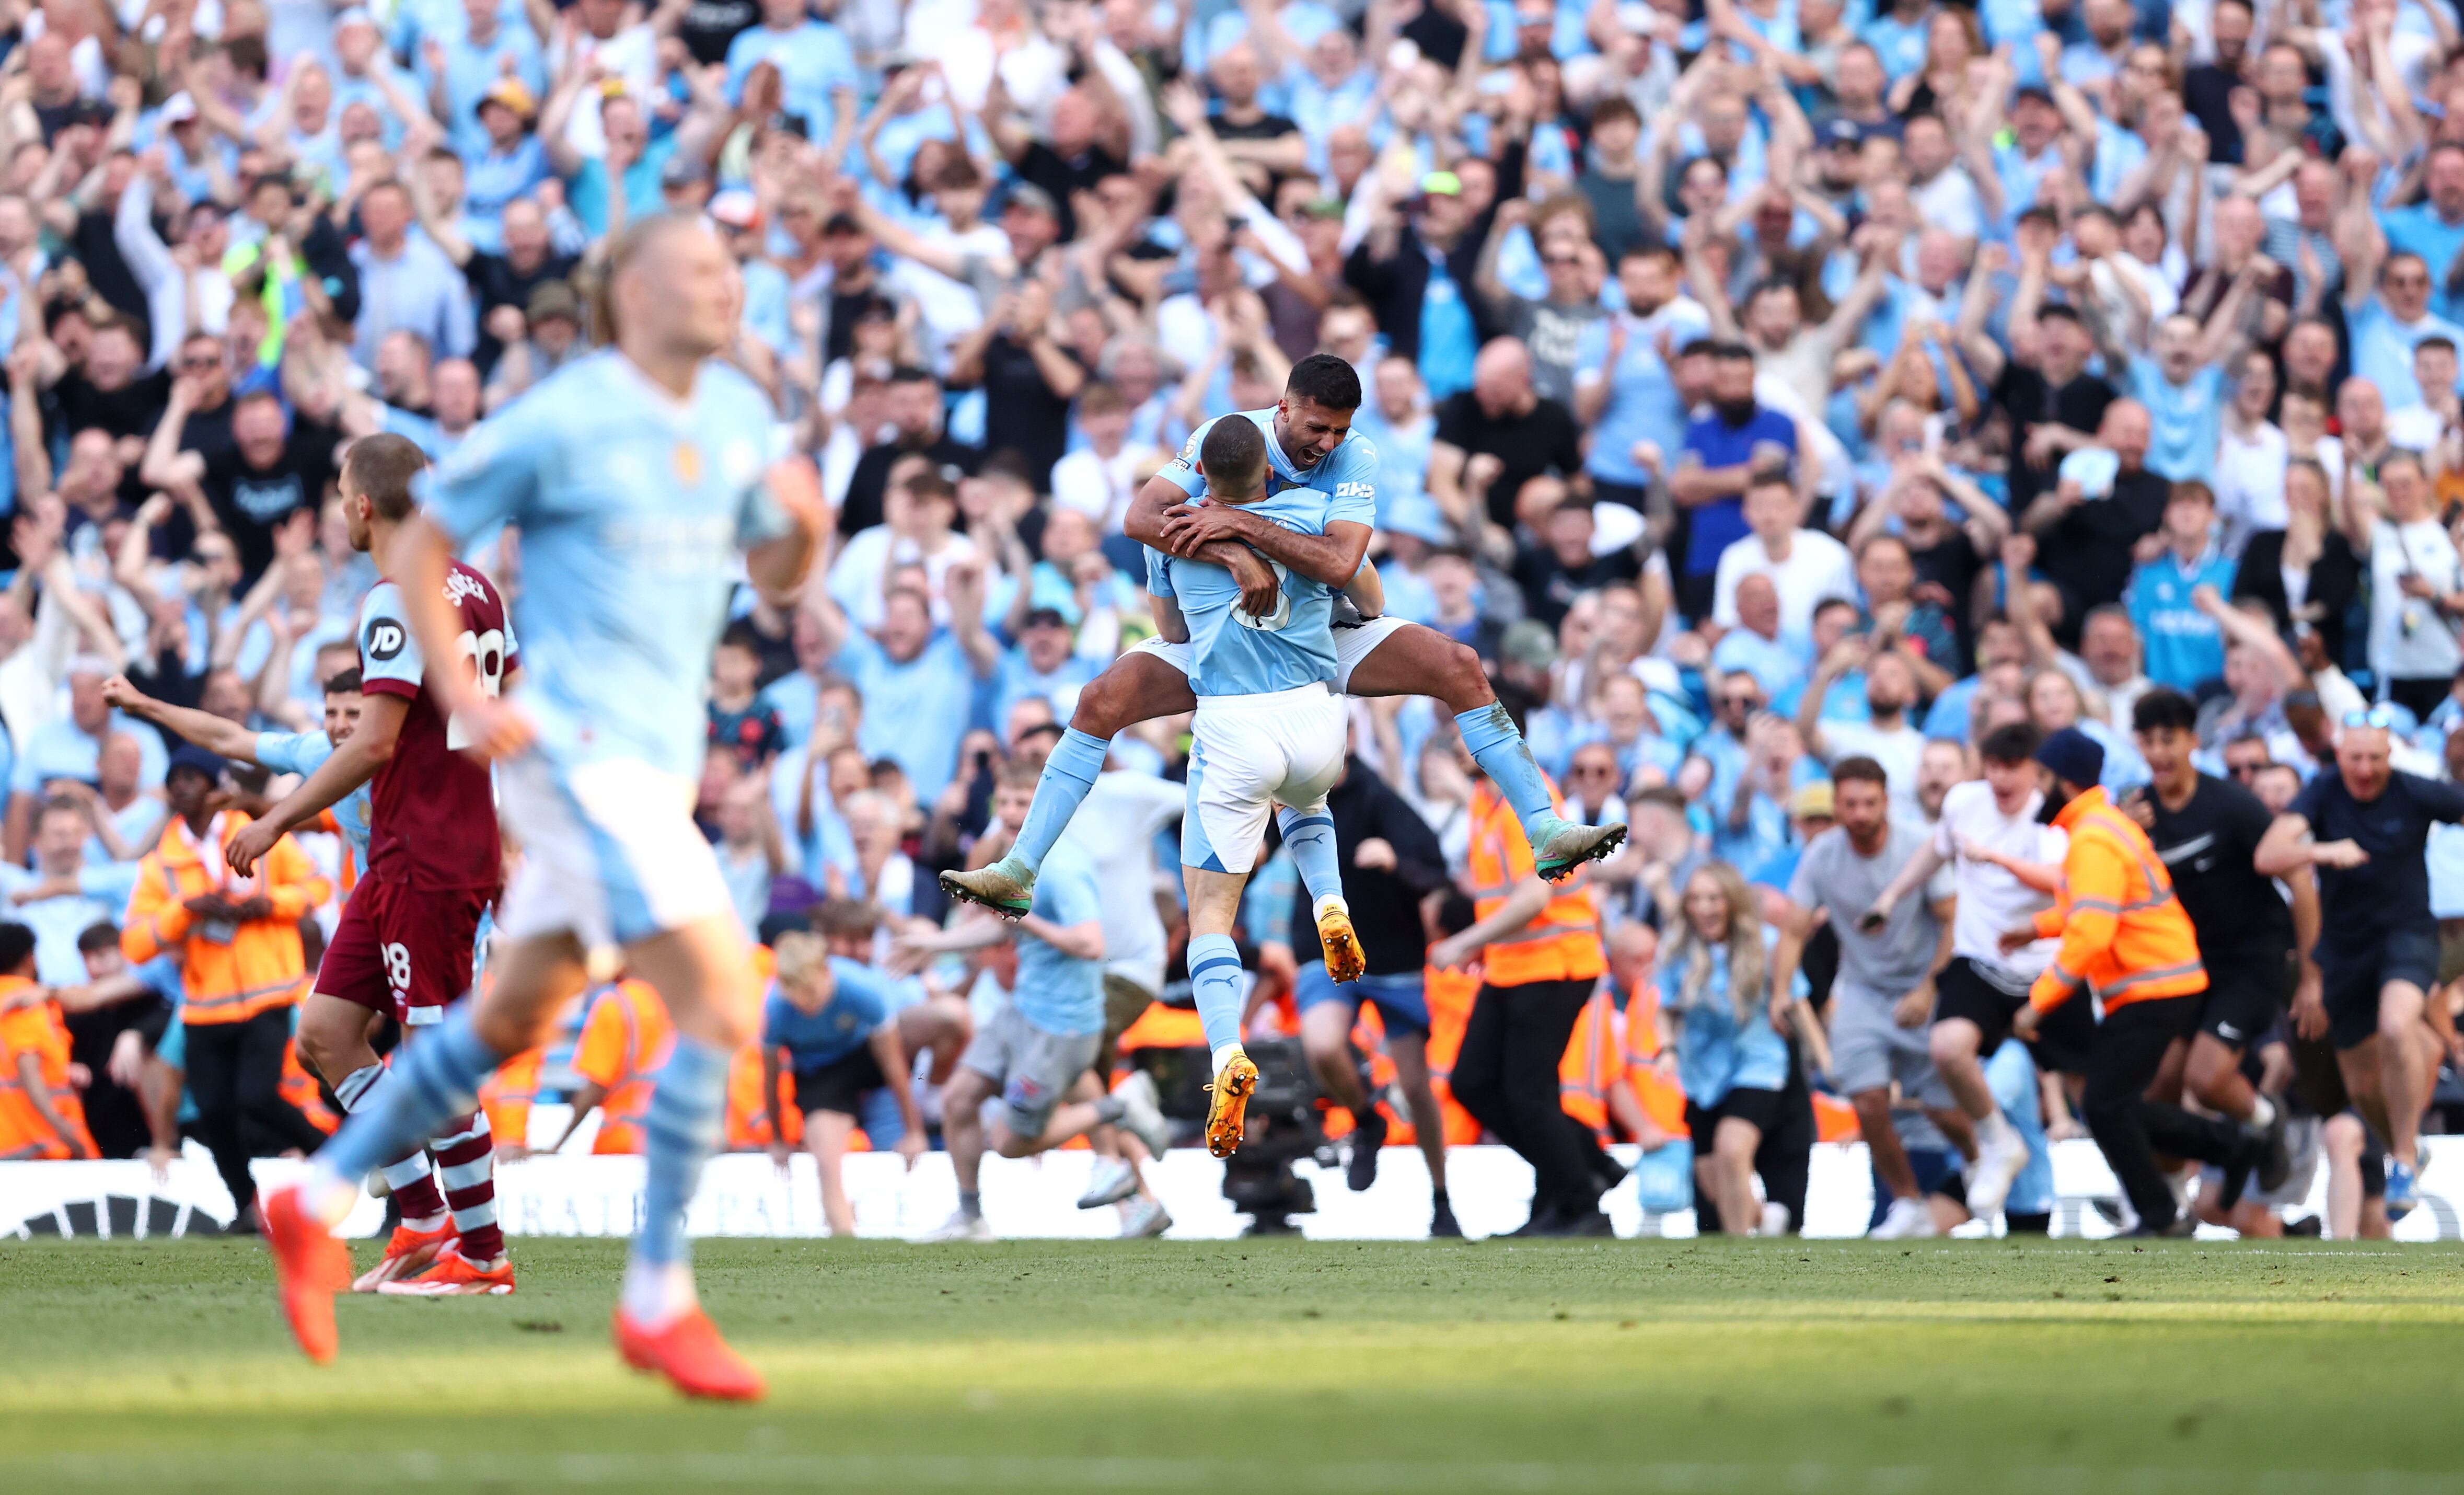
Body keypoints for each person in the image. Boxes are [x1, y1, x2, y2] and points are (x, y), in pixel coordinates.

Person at [259, 215, 827, 1402]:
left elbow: (774, 571)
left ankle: (316, 1200)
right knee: (722, 988)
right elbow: (428, 541)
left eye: (736, 267)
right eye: (700, 268)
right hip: (583, 756)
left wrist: (802, 528)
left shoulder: (732, 417)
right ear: (628, 288)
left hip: (623, 771)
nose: (726, 285)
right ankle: (655, 1300)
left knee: (498, 1023)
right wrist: (463, 687)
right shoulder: (565, 417)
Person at [941, 359, 1624, 922]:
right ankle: (1018, 869)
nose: (1326, 443)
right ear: (1282, 410)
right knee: (1099, 700)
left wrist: (1240, 536)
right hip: (1225, 636)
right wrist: (1237, 561)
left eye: (1339, 430)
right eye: (1317, 427)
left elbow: (1336, 564)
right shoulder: (1224, 436)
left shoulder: (1355, 455)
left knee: (1459, 665)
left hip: (1323, 625)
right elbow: (1140, 517)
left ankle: (1544, 829)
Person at [226, 432, 519, 1296]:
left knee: (434, 1065)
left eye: (337, 498)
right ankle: (426, 1217)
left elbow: (375, 743)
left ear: (361, 505)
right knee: (324, 1036)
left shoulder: (397, 600)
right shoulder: (476, 587)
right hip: (406, 854)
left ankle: (486, 1252)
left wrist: (278, 816)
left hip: (432, 856)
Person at [2004, 727, 2263, 1235]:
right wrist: (2034, 928)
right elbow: (2094, 909)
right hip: (2161, 980)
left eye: (2040, 776)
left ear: (2061, 781)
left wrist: (2037, 1003)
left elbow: (2091, 934)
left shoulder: (2093, 837)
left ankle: (2163, 1210)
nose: (2035, 789)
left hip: (2150, 984)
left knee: (2103, 1105)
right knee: (2112, 1104)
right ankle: (2225, 1148)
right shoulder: (2103, 826)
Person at [907, 763, 1171, 1238]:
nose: (1010, 812)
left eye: (1021, 802)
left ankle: (1121, 1109)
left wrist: (1024, 920)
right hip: (1023, 1010)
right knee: (958, 1099)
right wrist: (931, 947)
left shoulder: (1065, 864)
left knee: (1009, 1143)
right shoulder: (1023, 861)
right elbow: (998, 925)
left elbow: (1091, 944)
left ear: (1046, 809)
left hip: (1060, 1025)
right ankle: (970, 1216)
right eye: (1003, 802)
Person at [1859, 722, 2077, 1222]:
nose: (2001, 778)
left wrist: (1993, 857)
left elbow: (2060, 883)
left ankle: (2145, 1198)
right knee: (1946, 1047)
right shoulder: (1965, 802)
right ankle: (1996, 1143)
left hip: (2045, 970)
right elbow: (1934, 851)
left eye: (2012, 768)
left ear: (2035, 773)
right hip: (1981, 959)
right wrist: (1890, 898)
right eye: (1993, 766)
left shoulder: (2053, 820)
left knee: (2097, 1089)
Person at [2254, 708, 2464, 1218]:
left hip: (2406, 936)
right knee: (2361, 1085)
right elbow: (2268, 854)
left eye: (2374, 758)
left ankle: (2404, 1155)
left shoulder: (2413, 791)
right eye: (2354, 758)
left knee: (2395, 1025)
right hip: (2343, 950)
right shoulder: (2323, 792)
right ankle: (2404, 1148)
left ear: (2389, 755)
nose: (2364, 770)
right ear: (2339, 756)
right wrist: (2323, 852)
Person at [123, 744, 333, 1229]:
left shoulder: (260, 834)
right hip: (204, 1004)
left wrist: (269, 905)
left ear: (218, 787)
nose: (182, 787)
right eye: (176, 779)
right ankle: (247, 1207)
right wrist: (188, 909)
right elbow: (134, 943)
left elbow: (317, 888)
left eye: (194, 777)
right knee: (215, 1112)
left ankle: (333, 1157)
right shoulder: (162, 864)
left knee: (255, 1098)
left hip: (268, 992)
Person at [1431, 707, 1617, 1236]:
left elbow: (1535, 895)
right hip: (1514, 964)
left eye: (1460, 732)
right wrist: (1483, 944)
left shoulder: (1527, 798)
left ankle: (1580, 1204)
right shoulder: (1486, 799)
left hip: (1554, 962)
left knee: (1527, 1095)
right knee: (1475, 1084)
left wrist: (1464, 941)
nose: (1453, 743)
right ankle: (1585, 1168)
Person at [1773, 755, 1958, 1240]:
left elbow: (1954, 920)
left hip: (1923, 985)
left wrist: (1931, 985)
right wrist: (1778, 993)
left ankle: (1980, 1165)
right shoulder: (1822, 856)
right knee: (1867, 1099)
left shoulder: (1918, 845)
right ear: (1836, 805)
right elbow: (1792, 932)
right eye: (1849, 803)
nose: (1858, 813)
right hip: (1860, 989)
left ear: (1885, 802)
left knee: (1943, 1110)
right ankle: (1908, 1202)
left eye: (1868, 803)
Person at [1274, 751, 1459, 1233]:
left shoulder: (1380, 799)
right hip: (1325, 949)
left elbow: (1434, 872)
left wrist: (1395, 861)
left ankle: (1441, 1198)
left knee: (1417, 1089)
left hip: (1393, 959)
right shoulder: (1291, 797)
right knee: (1320, 1043)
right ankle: (1365, 1118)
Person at [758, 929, 928, 1238]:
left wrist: (913, 1131)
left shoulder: (861, 989)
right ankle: (844, 1236)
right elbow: (770, 1079)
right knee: (826, 1158)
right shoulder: (775, 1009)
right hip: (820, 1075)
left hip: (865, 1057)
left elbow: (893, 1064)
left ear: (825, 972)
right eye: (796, 997)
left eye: (810, 993)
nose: (805, 1005)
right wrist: (778, 1139)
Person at [1659, 862, 1793, 1235]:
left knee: (1731, 1149)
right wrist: (1666, 1049)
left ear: (1731, 902)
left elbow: (1793, 999)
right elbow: (1666, 1009)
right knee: (1711, 1177)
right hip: (1702, 1072)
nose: (1704, 908)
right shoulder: (1676, 951)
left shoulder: (1765, 943)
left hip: (1758, 1062)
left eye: (1713, 898)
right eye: (1696, 899)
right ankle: (1764, 1219)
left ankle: (1739, 1255)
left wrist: (1825, 1058)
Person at [0, 921, 97, 1159]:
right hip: (39, 1144)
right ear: (30, 958)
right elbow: (27, 1066)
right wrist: (61, 1128)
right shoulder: (28, 1001)